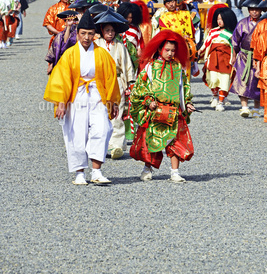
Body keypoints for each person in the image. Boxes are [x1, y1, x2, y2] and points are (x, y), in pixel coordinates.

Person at [43, 11, 121, 186]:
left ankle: (97, 171)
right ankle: (79, 173)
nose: (87, 37)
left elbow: (111, 79)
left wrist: (113, 102)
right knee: (76, 133)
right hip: (76, 96)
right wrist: (61, 103)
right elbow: (61, 80)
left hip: (97, 95)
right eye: (83, 33)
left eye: (90, 33)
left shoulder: (102, 54)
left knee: (103, 129)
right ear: (77, 33)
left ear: (95, 35)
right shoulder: (69, 54)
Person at [130, 30, 195, 183]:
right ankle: (147, 168)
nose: (170, 53)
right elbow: (141, 87)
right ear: (160, 49)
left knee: (175, 141)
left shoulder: (179, 68)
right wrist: (148, 101)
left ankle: (175, 172)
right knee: (151, 140)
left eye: (173, 50)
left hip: (174, 111)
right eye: (167, 50)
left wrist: (188, 103)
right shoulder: (150, 67)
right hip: (155, 110)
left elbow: (184, 88)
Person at [96, 10, 135, 159]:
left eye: (112, 30)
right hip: (100, 81)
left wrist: (129, 84)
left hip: (117, 81)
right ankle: (101, 145)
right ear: (101, 31)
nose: (110, 33)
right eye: (107, 30)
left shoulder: (120, 46)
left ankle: (117, 145)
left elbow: (127, 66)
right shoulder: (96, 45)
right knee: (101, 113)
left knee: (117, 113)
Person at [229, 0, 263, 118]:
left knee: (257, 82)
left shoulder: (264, 23)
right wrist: (233, 56)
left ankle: (256, 108)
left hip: (259, 57)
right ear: (248, 10)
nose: (254, 12)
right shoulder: (242, 23)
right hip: (244, 55)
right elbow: (235, 41)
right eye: (252, 9)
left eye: (257, 9)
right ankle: (244, 107)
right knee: (242, 80)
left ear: (261, 10)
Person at [199, 7, 238, 111]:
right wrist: (200, 51)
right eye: (218, 19)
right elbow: (206, 43)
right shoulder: (212, 31)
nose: (219, 21)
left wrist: (234, 57)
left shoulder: (232, 33)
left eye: (222, 19)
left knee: (225, 79)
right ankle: (215, 96)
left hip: (226, 58)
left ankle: (220, 102)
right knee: (212, 79)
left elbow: (235, 46)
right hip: (213, 57)